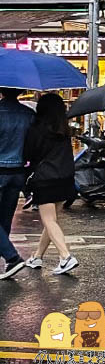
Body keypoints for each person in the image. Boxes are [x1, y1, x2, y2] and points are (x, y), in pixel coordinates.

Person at [21, 93, 78, 275]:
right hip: (65, 179)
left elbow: (28, 155)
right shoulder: (64, 130)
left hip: (45, 179)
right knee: (51, 221)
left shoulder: (36, 129)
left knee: (49, 220)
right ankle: (37, 256)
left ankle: (65, 257)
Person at [0, 88, 34, 279]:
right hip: (18, 172)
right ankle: (7, 259)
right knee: (5, 218)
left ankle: (12, 258)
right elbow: (32, 144)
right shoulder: (28, 114)